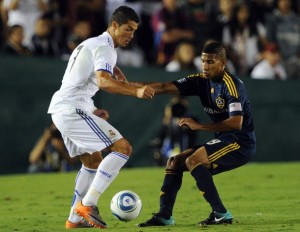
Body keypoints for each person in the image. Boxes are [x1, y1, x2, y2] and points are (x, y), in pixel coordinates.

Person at [47, 6, 155, 229]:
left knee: (92, 161)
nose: (131, 35)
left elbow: (82, 82)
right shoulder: (105, 48)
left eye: (134, 31)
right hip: (71, 109)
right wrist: (135, 91)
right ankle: (88, 204)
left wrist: (92, 110)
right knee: (122, 148)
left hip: (67, 108)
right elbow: (104, 82)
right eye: (127, 29)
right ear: (114, 25)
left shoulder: (91, 44)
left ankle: (74, 220)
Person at [137, 41, 256, 227]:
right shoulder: (200, 81)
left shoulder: (231, 85)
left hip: (240, 143)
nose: (205, 66)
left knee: (193, 160)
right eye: (203, 61)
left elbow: (236, 123)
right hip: (223, 139)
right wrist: (128, 86)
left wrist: (199, 126)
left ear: (223, 63)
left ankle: (221, 213)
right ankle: (164, 216)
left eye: (210, 62)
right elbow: (163, 86)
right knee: (174, 162)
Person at [151, 96, 197, 166]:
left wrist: (185, 125)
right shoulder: (168, 119)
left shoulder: (190, 118)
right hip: (170, 147)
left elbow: (192, 135)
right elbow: (163, 133)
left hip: (185, 148)